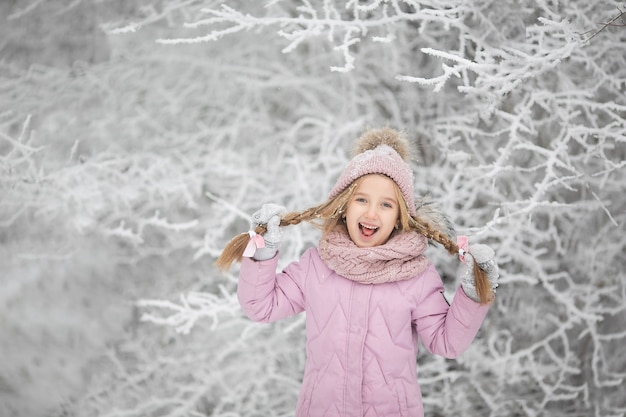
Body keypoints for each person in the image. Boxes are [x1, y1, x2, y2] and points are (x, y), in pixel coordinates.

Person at [217, 127, 500, 417]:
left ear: (400, 217)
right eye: (361, 199)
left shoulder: (416, 275)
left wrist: (473, 293)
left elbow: (447, 342)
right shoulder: (318, 265)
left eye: (386, 205)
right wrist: (263, 252)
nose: (371, 214)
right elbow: (260, 306)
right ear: (344, 205)